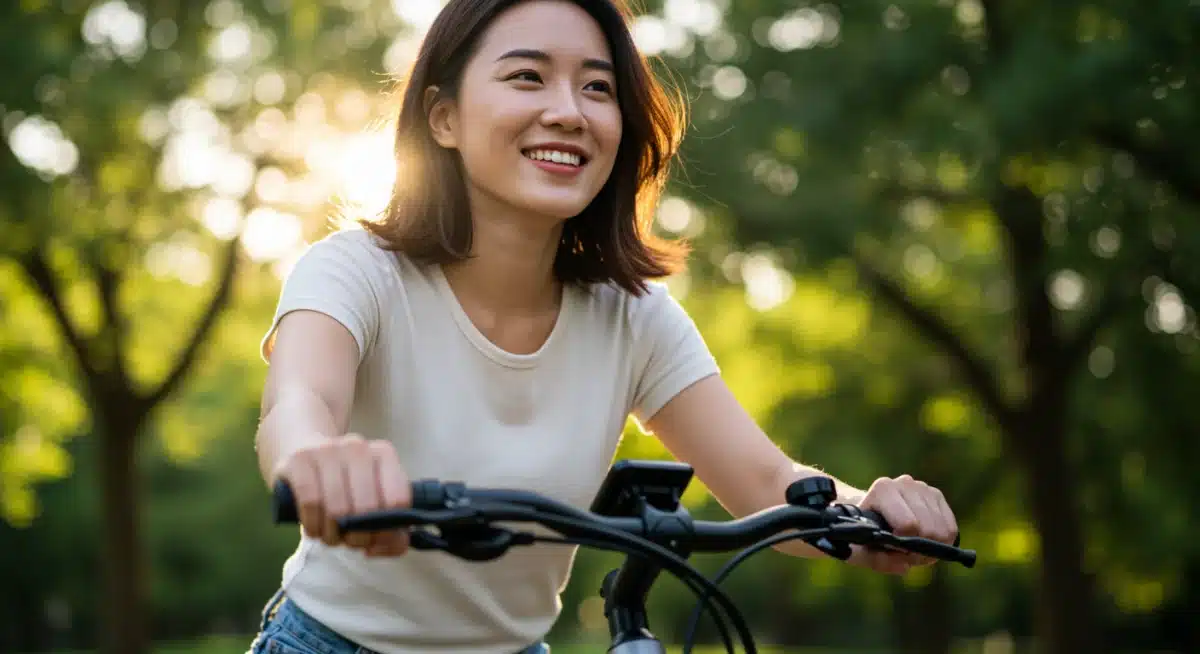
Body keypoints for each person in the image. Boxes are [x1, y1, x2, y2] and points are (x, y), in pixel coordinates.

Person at [250, 0, 960, 652]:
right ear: (443, 118)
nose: (568, 111)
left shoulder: (633, 316)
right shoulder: (356, 272)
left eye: (597, 88)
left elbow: (769, 480)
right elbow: (300, 405)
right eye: (527, 77)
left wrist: (872, 518)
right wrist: (315, 460)